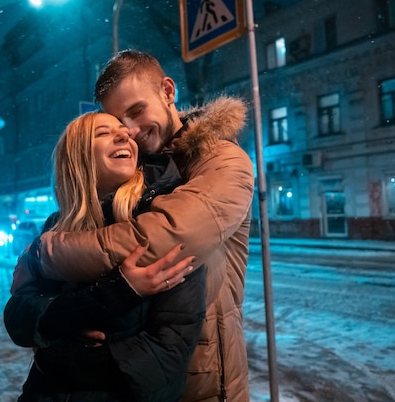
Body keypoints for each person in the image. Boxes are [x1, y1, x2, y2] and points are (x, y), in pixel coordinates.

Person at [13, 50, 255, 401]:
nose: (130, 131)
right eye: (116, 121)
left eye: (136, 111)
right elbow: (24, 314)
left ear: (168, 92)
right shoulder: (133, 183)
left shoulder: (223, 161)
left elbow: (161, 239)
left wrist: (43, 253)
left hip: (203, 382)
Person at [5, 111, 207, 401]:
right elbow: (18, 317)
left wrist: (57, 358)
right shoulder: (56, 227)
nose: (125, 134)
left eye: (124, 131)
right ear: (77, 157)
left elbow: (166, 355)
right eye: (103, 133)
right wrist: (113, 294)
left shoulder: (162, 222)